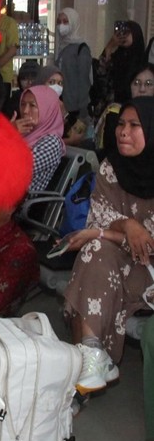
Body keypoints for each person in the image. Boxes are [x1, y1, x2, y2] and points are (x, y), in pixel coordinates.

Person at [63, 97, 154, 392]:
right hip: (119, 262)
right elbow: (99, 219)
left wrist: (102, 234)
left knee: (94, 252)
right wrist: (127, 225)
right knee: (94, 253)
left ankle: (89, 362)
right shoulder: (111, 166)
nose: (123, 131)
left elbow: (146, 246)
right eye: (121, 124)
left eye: (135, 125)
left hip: (149, 270)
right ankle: (92, 352)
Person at [95, 64, 154, 159]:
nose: (142, 89)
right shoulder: (115, 113)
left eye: (148, 84)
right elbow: (111, 151)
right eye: (137, 83)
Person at [16, 84, 66, 193]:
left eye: (32, 105)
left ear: (47, 109)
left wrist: (10, 135)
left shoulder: (52, 142)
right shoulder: (25, 133)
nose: (25, 111)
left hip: (17, 202)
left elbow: (16, 168)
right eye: (23, 104)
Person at [93, 19, 146, 114]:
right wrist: (110, 46)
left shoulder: (142, 63)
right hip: (109, 111)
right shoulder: (117, 57)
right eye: (121, 32)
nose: (123, 35)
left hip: (131, 112)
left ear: (135, 34)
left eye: (127, 32)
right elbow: (101, 74)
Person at [54, 8, 93, 122]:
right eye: (59, 22)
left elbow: (84, 82)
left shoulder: (81, 49)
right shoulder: (61, 47)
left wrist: (82, 111)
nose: (61, 25)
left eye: (65, 22)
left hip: (76, 109)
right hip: (62, 107)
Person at [40, 64, 91, 146]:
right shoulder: (35, 106)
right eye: (51, 82)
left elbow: (71, 126)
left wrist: (65, 114)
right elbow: (42, 143)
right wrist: (70, 141)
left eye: (60, 83)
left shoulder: (60, 104)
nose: (56, 86)